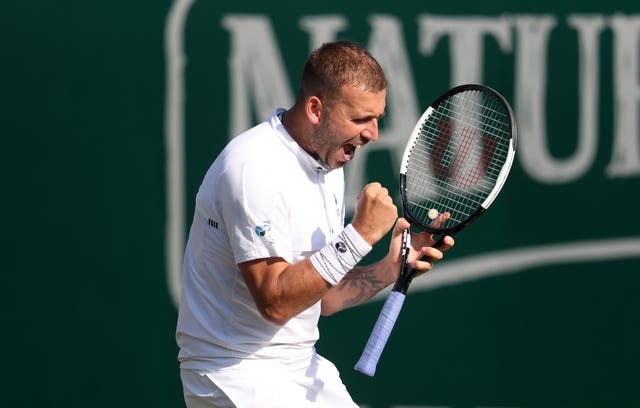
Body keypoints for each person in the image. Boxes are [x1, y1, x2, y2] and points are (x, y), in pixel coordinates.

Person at [176, 40, 455, 408]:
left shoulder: (327, 164)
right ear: (315, 109)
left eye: (377, 119)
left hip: (299, 369)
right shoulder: (253, 168)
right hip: (233, 376)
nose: (372, 133)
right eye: (360, 119)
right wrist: (360, 235)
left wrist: (391, 269)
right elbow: (275, 303)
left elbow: (320, 299)